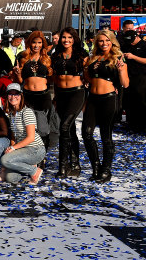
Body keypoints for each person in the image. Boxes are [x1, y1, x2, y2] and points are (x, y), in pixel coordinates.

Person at [83, 30, 129, 183]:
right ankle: (96, 167)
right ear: (97, 42)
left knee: (105, 136)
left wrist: (122, 70)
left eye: (107, 41)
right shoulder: (93, 58)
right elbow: (89, 79)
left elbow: (125, 83)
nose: (104, 44)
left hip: (108, 99)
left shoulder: (118, 58)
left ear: (112, 42)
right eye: (101, 41)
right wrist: (85, 71)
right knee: (86, 133)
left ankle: (106, 170)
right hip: (92, 99)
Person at [51, 27, 88, 178]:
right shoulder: (56, 55)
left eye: (70, 38)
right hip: (60, 94)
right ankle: (74, 163)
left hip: (76, 94)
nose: (66, 40)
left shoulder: (81, 54)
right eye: (64, 37)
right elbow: (53, 76)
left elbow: (88, 74)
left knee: (64, 126)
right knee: (70, 130)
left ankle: (63, 167)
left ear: (74, 39)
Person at [11, 30, 53, 155]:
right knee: (28, 128)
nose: (36, 45)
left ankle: (42, 156)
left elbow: (51, 80)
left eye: (39, 43)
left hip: (43, 97)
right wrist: (18, 74)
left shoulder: (47, 59)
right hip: (28, 97)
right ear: (29, 43)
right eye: (34, 42)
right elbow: (19, 81)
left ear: (43, 44)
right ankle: (29, 155)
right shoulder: (22, 58)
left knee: (43, 129)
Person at [0, 83, 45, 184]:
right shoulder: (12, 114)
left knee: (5, 160)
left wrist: (13, 148)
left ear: (21, 96)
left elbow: (31, 138)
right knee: (11, 178)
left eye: (16, 94)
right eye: (10, 94)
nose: (13, 97)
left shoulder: (26, 112)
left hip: (35, 149)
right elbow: (14, 137)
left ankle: (35, 171)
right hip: (23, 149)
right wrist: (11, 149)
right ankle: (30, 165)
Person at [120, 29, 146, 132]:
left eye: (131, 40)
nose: (130, 43)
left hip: (141, 77)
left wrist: (133, 57)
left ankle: (142, 124)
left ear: (137, 37)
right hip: (128, 76)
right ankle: (131, 123)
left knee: (141, 101)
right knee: (129, 101)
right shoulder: (127, 45)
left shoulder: (144, 45)